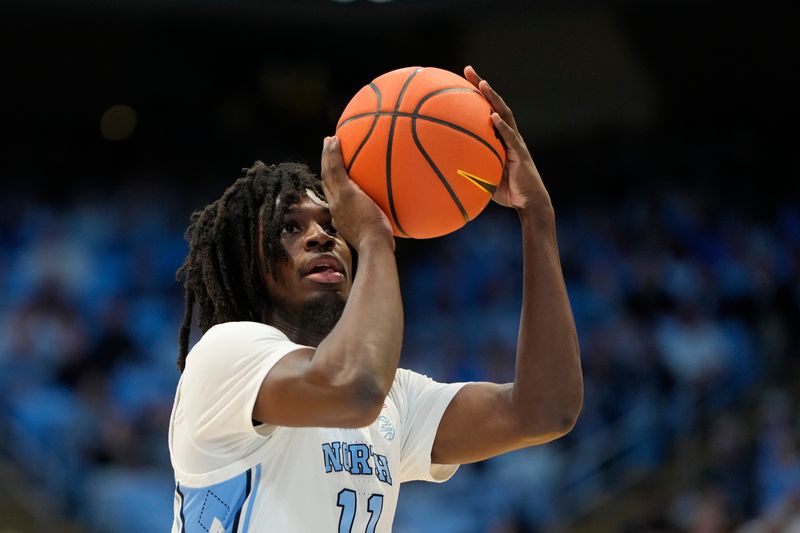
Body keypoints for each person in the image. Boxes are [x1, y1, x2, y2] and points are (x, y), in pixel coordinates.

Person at [168, 65, 583, 532]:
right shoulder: (226, 354)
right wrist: (373, 237)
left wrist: (538, 218)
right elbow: (354, 388)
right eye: (290, 227)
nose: (321, 237)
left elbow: (545, 411)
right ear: (248, 262)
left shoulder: (395, 399)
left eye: (332, 224)